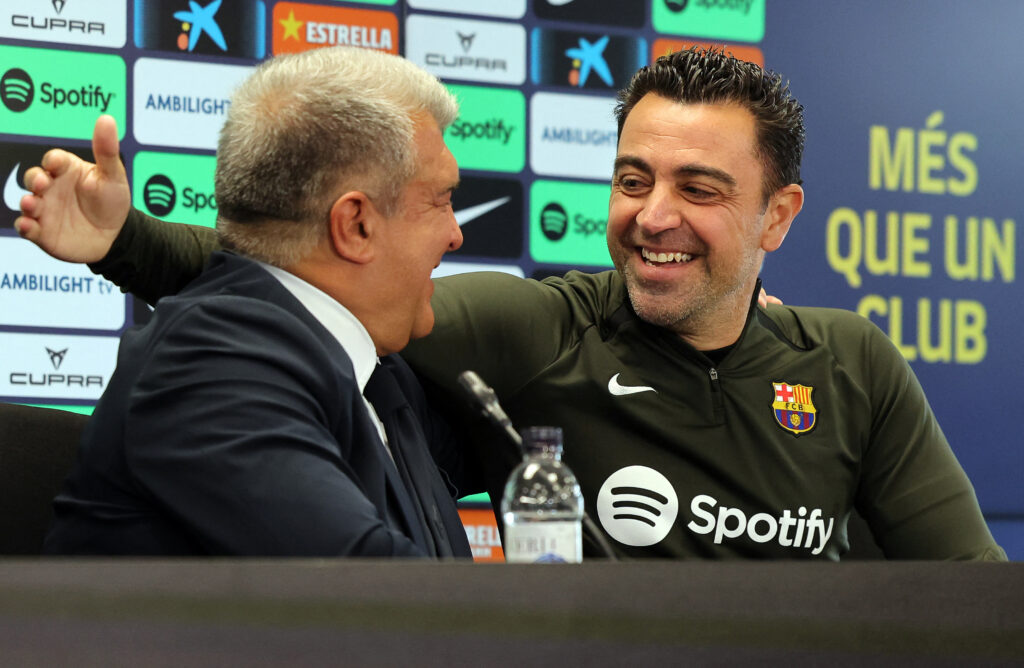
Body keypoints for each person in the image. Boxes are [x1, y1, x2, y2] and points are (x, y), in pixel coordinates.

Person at [17, 48, 1005, 560]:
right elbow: (309, 269)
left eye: (698, 189)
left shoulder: (852, 360)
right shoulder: (536, 330)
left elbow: (963, 596)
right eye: (631, 179)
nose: (652, 216)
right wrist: (124, 242)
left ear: (776, 215)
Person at [23, 46, 476, 557]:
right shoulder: (210, 366)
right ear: (356, 225)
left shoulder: (381, 375)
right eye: (441, 200)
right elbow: (381, 602)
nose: (455, 234)